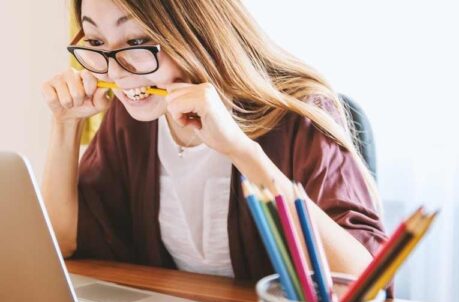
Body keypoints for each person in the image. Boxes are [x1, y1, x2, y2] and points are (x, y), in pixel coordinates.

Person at [41, 0, 387, 282]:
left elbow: (362, 281)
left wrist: (241, 151)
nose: (114, 72)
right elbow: (63, 241)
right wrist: (65, 124)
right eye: (96, 42)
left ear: (197, 33)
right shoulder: (133, 119)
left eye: (137, 42)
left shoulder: (301, 114)